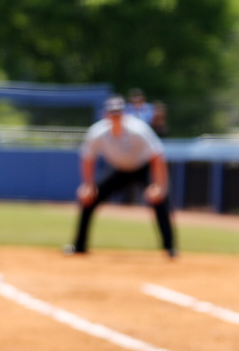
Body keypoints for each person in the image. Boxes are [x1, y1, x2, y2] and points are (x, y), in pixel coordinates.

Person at [64, 95, 175, 258]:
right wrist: (87, 185)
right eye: (112, 113)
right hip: (117, 169)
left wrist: (159, 186)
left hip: (141, 167)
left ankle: (169, 248)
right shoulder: (98, 132)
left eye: (118, 113)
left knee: (159, 199)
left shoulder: (138, 130)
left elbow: (157, 156)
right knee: (89, 199)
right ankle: (79, 246)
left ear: (124, 114)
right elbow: (87, 158)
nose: (115, 117)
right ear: (106, 115)